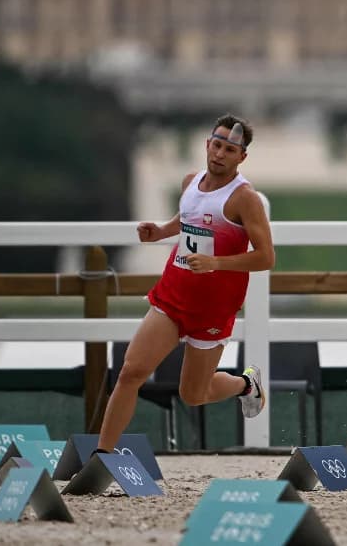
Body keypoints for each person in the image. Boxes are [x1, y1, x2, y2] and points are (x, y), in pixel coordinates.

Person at [96, 114, 275, 455]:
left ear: (242, 157)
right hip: (172, 298)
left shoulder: (244, 199)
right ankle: (101, 457)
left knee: (193, 395)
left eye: (229, 149)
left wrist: (216, 263)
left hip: (213, 309)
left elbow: (267, 257)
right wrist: (162, 231)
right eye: (217, 145)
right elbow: (190, 218)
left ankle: (246, 384)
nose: (220, 154)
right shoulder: (190, 182)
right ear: (207, 145)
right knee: (131, 372)